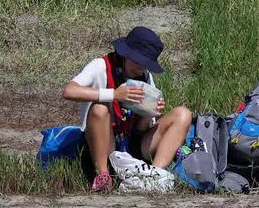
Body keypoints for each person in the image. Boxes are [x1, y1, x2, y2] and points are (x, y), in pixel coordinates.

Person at [62, 27, 193, 192]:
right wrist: (114, 94)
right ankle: (103, 176)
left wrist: (151, 112)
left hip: (133, 141)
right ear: (125, 54)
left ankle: (154, 176)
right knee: (100, 109)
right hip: (104, 143)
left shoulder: (144, 76)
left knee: (183, 114)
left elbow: (141, 128)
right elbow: (69, 91)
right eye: (137, 62)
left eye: (145, 65)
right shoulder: (100, 66)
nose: (140, 69)